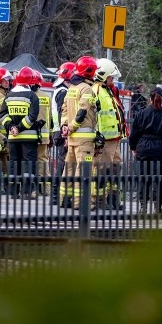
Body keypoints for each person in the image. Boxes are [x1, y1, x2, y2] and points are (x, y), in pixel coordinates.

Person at [128, 86, 162, 215]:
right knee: (158, 178)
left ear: (150, 99)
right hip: (159, 149)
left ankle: (143, 206)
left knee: (143, 178)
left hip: (143, 147)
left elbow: (134, 133)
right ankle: (158, 206)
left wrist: (133, 147)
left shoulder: (141, 114)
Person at [59, 55, 98, 210]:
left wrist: (65, 127)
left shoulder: (72, 89)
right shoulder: (87, 89)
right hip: (84, 138)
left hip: (72, 137)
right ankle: (80, 203)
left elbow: (64, 110)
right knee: (82, 172)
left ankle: (63, 200)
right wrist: (73, 126)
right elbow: (82, 111)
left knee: (68, 169)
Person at [0, 66, 40, 200]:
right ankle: (27, 192)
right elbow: (32, 116)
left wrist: (11, 127)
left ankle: (13, 191)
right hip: (28, 137)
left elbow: (3, 114)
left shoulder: (8, 96)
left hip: (13, 137)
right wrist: (20, 127)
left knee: (13, 163)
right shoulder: (32, 96)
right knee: (28, 163)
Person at [93, 58, 126, 211]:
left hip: (115, 138)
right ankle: (99, 201)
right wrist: (97, 135)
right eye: (111, 77)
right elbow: (94, 115)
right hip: (104, 140)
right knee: (102, 169)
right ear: (103, 76)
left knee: (115, 169)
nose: (113, 80)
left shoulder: (108, 91)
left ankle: (113, 199)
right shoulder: (97, 91)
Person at [49, 61, 75, 205]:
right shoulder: (63, 92)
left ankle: (56, 196)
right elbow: (61, 114)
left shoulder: (59, 90)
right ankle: (56, 195)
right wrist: (65, 135)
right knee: (63, 164)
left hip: (58, 131)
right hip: (61, 133)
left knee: (63, 163)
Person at [30, 70, 51, 197]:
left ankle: (33, 189)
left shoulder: (28, 96)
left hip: (30, 135)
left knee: (30, 161)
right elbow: (50, 118)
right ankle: (45, 188)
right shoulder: (46, 96)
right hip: (44, 136)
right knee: (43, 161)